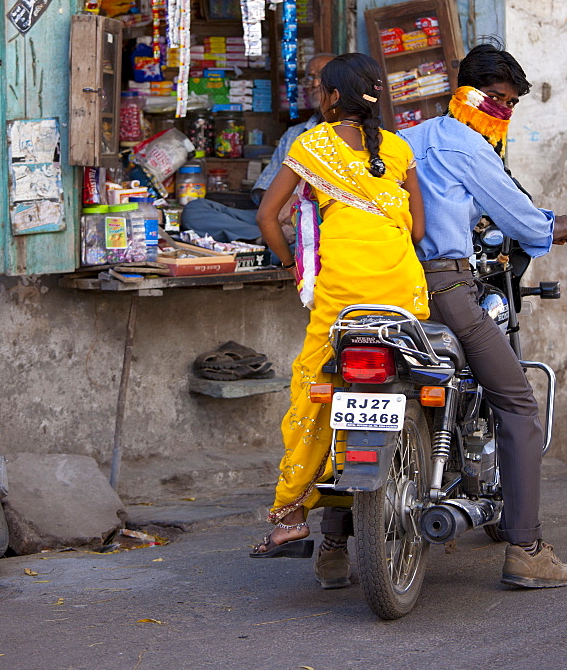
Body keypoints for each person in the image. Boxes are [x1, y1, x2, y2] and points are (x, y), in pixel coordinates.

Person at [399, 42, 567, 589]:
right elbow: (524, 222)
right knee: (519, 404)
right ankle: (526, 549)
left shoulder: (408, 138)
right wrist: (562, 225)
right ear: (466, 93)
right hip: (446, 288)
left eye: (509, 102)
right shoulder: (471, 149)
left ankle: (335, 544)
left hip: (389, 287)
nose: (501, 110)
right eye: (496, 98)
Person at [251, 52, 429, 590]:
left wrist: (290, 264)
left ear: (332, 98)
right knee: (421, 383)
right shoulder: (399, 149)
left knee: (313, 393)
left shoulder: (310, 146)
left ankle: (290, 516)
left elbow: (268, 217)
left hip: (342, 301)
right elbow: (418, 231)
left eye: (320, 89)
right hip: (402, 294)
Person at [181, 54, 334, 243]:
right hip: (273, 219)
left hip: (315, 225)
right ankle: (264, 239)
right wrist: (275, 210)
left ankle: (269, 244)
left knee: (314, 241)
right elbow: (264, 188)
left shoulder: (354, 136)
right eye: (310, 78)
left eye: (323, 75)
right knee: (195, 211)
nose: (315, 83)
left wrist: (298, 202)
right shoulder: (294, 134)